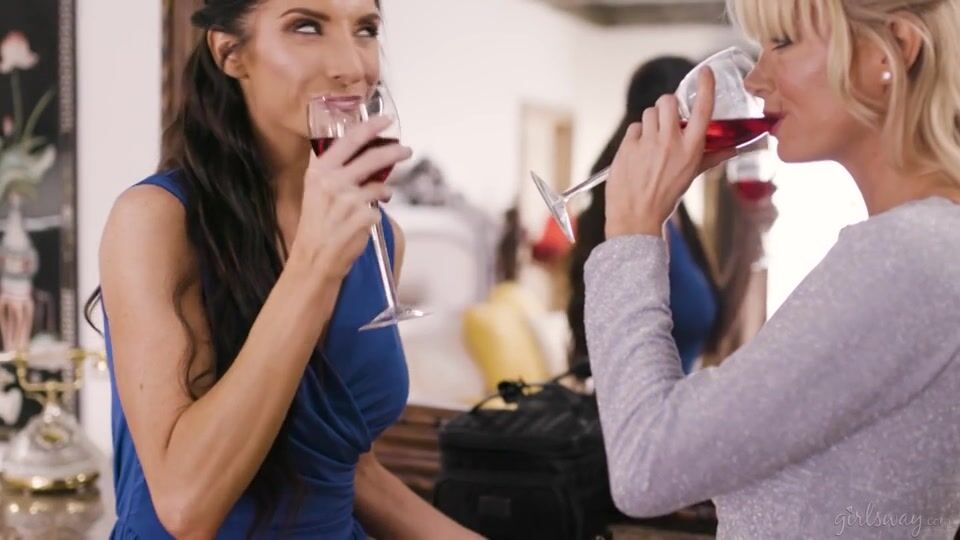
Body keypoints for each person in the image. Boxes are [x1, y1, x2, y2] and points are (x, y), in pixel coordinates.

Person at [85, 1, 480, 538]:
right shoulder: (156, 221)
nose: (353, 66)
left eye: (365, 29)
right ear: (230, 53)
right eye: (307, 26)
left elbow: (350, 470)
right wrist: (314, 266)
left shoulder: (380, 237)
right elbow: (186, 504)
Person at [583, 0, 960, 538]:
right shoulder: (935, 242)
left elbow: (645, 467)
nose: (755, 80)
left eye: (782, 43)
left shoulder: (904, 257)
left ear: (892, 50)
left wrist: (630, 231)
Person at [569, 57, 772, 375]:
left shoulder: (673, 216)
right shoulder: (635, 222)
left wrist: (751, 228)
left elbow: (713, 326)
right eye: (710, 105)